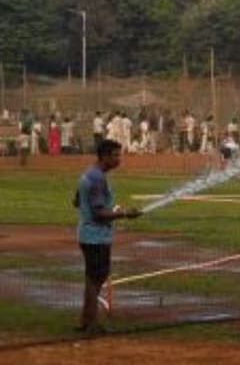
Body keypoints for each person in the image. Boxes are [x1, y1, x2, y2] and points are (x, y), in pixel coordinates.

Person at [73, 138, 141, 334]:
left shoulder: (89, 174)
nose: (119, 159)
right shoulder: (97, 179)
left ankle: (86, 320)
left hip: (87, 234)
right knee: (96, 279)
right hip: (96, 237)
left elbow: (76, 201)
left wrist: (109, 209)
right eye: (116, 155)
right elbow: (98, 213)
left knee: (92, 278)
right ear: (104, 156)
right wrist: (124, 213)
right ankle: (91, 323)